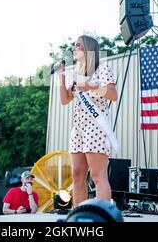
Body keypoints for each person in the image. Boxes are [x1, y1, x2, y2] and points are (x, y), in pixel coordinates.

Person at [57, 35, 118, 206]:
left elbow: (113, 95)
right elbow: (65, 100)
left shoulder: (102, 69)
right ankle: (79, 217)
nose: (74, 49)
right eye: (74, 46)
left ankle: (102, 216)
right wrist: (61, 78)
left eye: (78, 45)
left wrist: (91, 86)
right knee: (77, 174)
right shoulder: (77, 73)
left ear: (88, 49)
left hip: (95, 125)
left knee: (98, 175)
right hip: (78, 128)